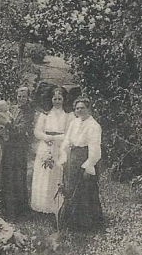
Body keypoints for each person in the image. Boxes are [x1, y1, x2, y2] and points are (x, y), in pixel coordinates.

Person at [58, 98, 104, 231]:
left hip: (85, 158)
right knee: (70, 188)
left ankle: (87, 223)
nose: (79, 110)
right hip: (73, 157)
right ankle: (70, 221)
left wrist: (88, 166)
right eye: (77, 108)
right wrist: (64, 156)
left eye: (82, 108)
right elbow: (67, 140)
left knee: (85, 189)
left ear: (89, 109)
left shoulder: (94, 126)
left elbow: (95, 148)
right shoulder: (74, 122)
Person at [0, 86, 37, 217]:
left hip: (19, 148)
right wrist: (0, 131)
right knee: (6, 176)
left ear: (28, 97)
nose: (21, 99)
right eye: (19, 96)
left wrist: (6, 124)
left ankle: (18, 209)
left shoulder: (29, 112)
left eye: (24, 96)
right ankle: (4, 207)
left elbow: (20, 130)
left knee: (17, 177)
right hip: (7, 147)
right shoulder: (12, 108)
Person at [30, 87, 73, 214]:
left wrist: (56, 138)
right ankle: (42, 205)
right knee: (44, 174)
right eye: (55, 99)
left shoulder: (68, 115)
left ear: (64, 100)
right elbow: (37, 131)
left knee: (57, 174)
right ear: (51, 99)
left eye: (60, 99)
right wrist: (46, 137)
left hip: (60, 146)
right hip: (46, 145)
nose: (57, 101)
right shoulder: (45, 114)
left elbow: (70, 133)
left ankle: (57, 206)